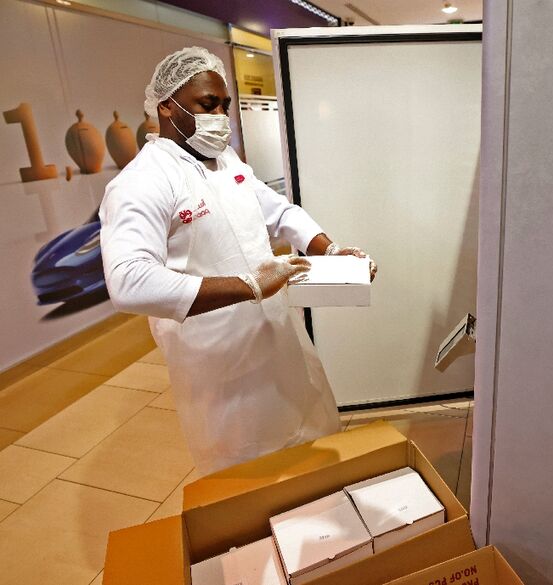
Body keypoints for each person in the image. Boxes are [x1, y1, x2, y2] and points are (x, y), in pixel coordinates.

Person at [99, 47, 376, 474]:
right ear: (167, 107)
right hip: (220, 363)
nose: (220, 116)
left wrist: (331, 251)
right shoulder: (141, 182)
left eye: (224, 105)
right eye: (207, 105)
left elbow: (280, 212)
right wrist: (249, 286)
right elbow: (129, 281)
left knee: (311, 443)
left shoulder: (227, 162)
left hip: (278, 337)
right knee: (251, 472)